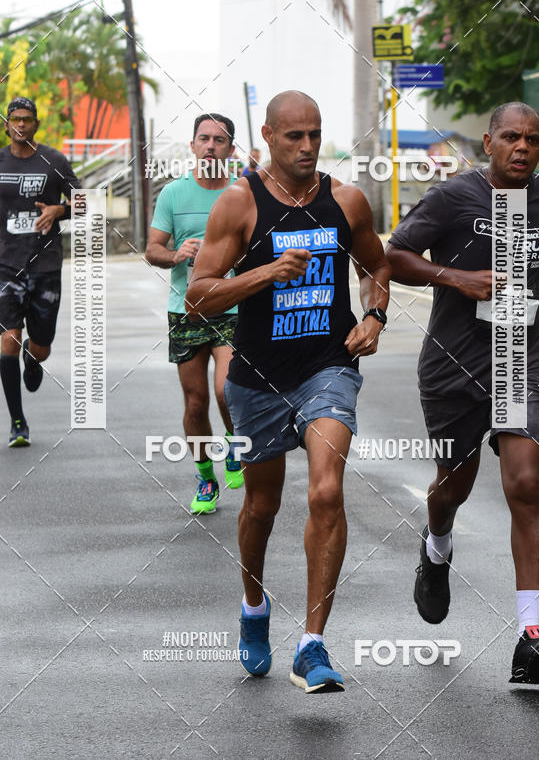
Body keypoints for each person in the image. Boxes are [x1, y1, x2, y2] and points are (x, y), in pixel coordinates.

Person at [186, 90, 390, 693]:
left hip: (328, 368)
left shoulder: (345, 200)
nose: (306, 147)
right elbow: (199, 295)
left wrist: (374, 317)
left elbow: (376, 266)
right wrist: (265, 274)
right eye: (294, 136)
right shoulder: (238, 204)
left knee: (327, 490)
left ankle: (312, 644)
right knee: (261, 508)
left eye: (314, 135)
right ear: (269, 137)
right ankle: (254, 608)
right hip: (257, 379)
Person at [385, 102, 539, 685]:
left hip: (521, 359)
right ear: (488, 142)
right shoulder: (453, 198)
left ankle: (531, 634)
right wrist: (457, 278)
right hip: (455, 365)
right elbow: (394, 256)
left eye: (532, 139)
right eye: (510, 138)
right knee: (454, 487)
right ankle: (438, 546)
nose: (522, 148)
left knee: (525, 483)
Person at [145, 113, 243, 514]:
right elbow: (152, 249)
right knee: (195, 402)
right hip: (186, 310)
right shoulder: (172, 194)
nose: (210, 146)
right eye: (203, 139)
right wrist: (177, 254)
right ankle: (206, 476)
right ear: (192, 146)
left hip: (233, 305)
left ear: (230, 149)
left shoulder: (242, 193)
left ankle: (237, 446)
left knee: (226, 389)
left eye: (219, 140)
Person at [0, 97, 81, 447]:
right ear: (6, 125)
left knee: (40, 346)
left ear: (36, 123)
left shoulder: (54, 160)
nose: (21, 124)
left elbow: (85, 201)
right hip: (5, 265)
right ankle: (18, 421)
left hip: (46, 265)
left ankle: (34, 361)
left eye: (27, 119)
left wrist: (58, 210)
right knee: (8, 339)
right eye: (15, 119)